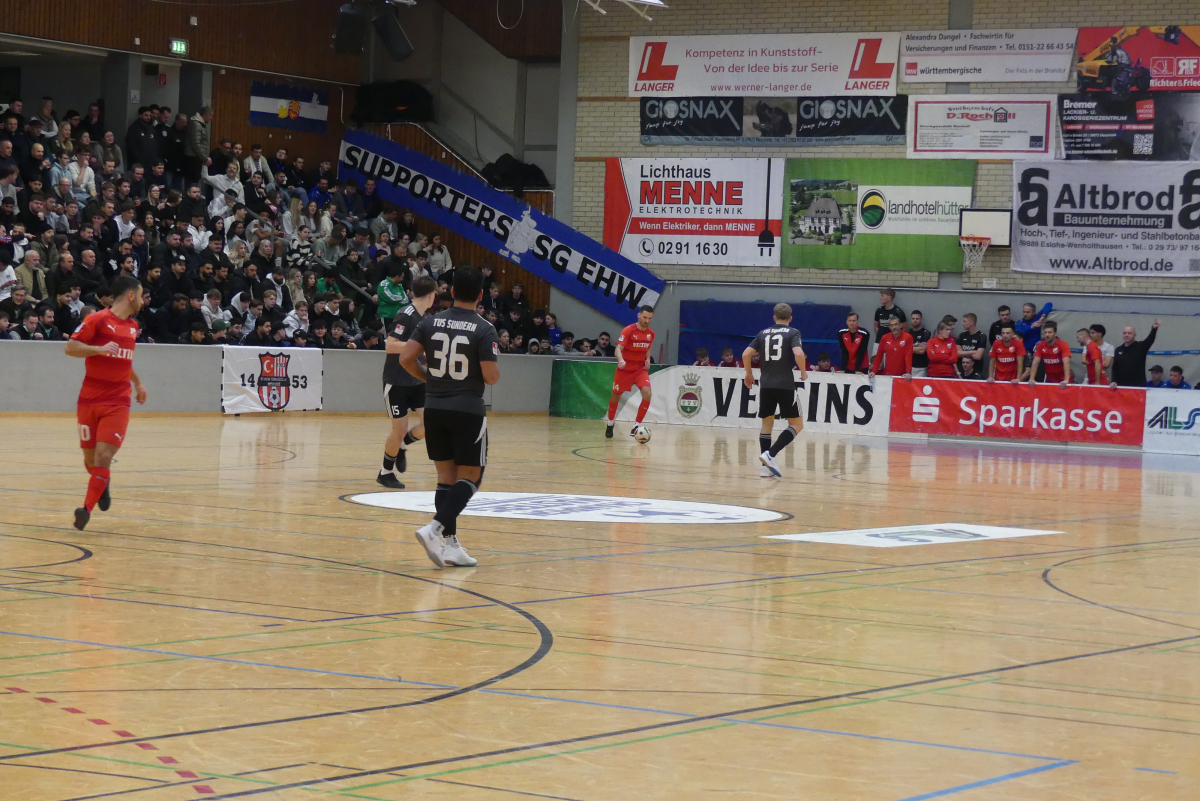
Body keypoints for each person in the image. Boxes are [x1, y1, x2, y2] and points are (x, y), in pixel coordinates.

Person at [399, 266, 500, 569]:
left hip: (434, 408)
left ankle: (451, 545)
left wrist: (429, 378)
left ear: (452, 292)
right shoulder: (484, 328)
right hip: (467, 409)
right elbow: (491, 377)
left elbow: (406, 358)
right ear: (481, 295)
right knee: (471, 477)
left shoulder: (429, 321)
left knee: (446, 479)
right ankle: (434, 529)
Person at [64, 275, 146, 530]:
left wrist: (138, 383)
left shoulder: (133, 326)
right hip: (89, 400)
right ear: (130, 295)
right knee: (91, 460)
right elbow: (70, 348)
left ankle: (85, 510)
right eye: (141, 295)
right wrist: (97, 349)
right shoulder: (97, 319)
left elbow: (124, 361)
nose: (143, 301)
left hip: (118, 401)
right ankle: (103, 482)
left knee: (104, 455)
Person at [379, 275, 439, 488]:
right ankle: (385, 472)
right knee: (399, 429)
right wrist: (418, 346)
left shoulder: (424, 318)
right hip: (396, 381)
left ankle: (403, 446)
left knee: (431, 424)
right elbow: (390, 345)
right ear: (431, 295)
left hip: (417, 379)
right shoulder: (406, 315)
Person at [743, 303, 806, 479]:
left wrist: (748, 374)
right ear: (790, 318)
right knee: (797, 425)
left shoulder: (763, 333)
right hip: (785, 385)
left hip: (766, 385)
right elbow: (798, 353)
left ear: (774, 318)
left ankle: (765, 468)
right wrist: (803, 372)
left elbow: (746, 354)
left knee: (766, 424)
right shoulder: (793, 332)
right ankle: (770, 454)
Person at [603, 306, 656, 440]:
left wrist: (648, 359)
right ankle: (610, 423)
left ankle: (636, 426)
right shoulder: (628, 330)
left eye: (649, 318)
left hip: (639, 370)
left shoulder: (651, 334)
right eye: (645, 317)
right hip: (624, 370)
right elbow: (618, 349)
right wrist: (621, 360)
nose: (647, 321)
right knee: (616, 397)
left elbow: (649, 348)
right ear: (638, 315)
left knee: (647, 393)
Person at [1111, 320, 1160, 388]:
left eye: (1129, 333)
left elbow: (1150, 339)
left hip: (1138, 386)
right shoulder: (1118, 350)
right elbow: (1115, 368)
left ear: (1134, 335)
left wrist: (1154, 329)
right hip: (1121, 386)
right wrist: (1113, 381)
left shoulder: (1141, 347)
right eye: (1124, 333)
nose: (1126, 335)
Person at [1028, 320, 1071, 388]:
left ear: (1055, 334)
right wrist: (1031, 379)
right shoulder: (1040, 345)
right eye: (1045, 332)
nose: (1047, 335)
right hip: (1050, 378)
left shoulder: (1063, 344)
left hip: (1063, 378)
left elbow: (1066, 362)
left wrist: (1066, 380)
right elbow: (1035, 362)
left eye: (1050, 332)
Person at [908, 310, 930, 377]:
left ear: (921, 319)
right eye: (913, 319)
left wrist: (908, 349)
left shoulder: (926, 333)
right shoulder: (908, 333)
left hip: (922, 368)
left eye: (917, 319)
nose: (915, 320)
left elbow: (922, 351)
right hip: (909, 367)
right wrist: (916, 349)